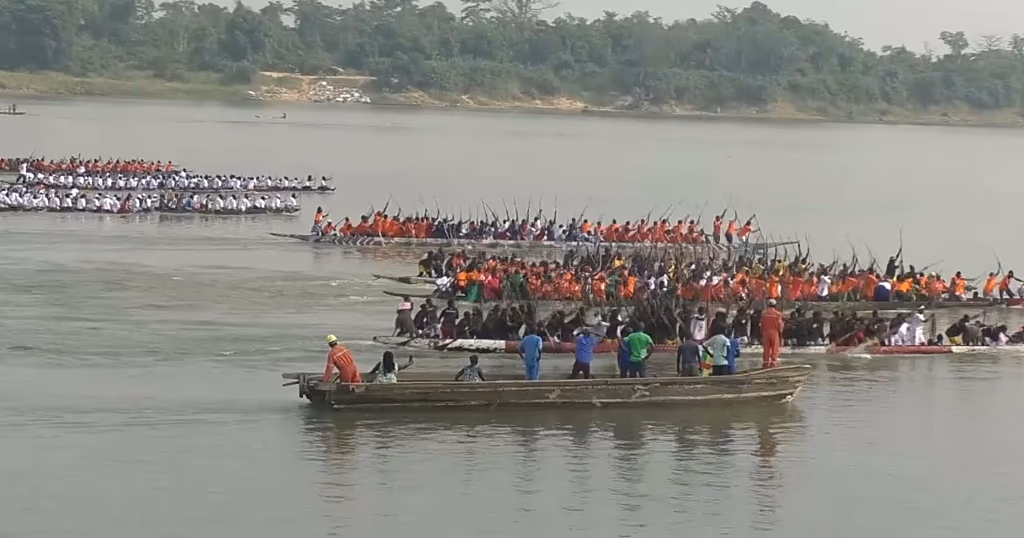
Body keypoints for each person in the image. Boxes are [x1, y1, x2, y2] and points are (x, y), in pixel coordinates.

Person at [760, 299, 784, 369]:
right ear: (775, 305)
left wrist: (762, 332)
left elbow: (762, 324)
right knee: (775, 348)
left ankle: (765, 363)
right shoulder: (778, 314)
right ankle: (773, 363)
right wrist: (781, 333)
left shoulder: (764, 313)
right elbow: (780, 325)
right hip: (774, 333)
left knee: (766, 348)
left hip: (765, 333)